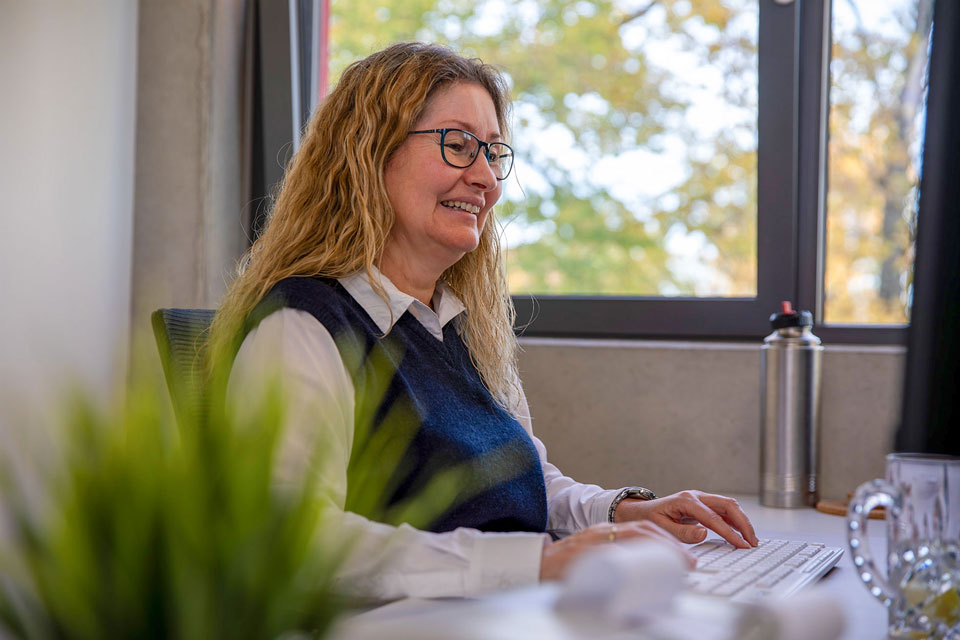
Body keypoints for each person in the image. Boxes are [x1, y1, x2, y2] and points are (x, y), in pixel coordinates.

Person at [210, 42, 758, 602]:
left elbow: (523, 482)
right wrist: (535, 563)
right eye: (458, 145)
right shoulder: (301, 327)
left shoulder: (457, 330)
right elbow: (291, 540)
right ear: (368, 153)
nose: (487, 180)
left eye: (493, 153)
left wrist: (623, 511)